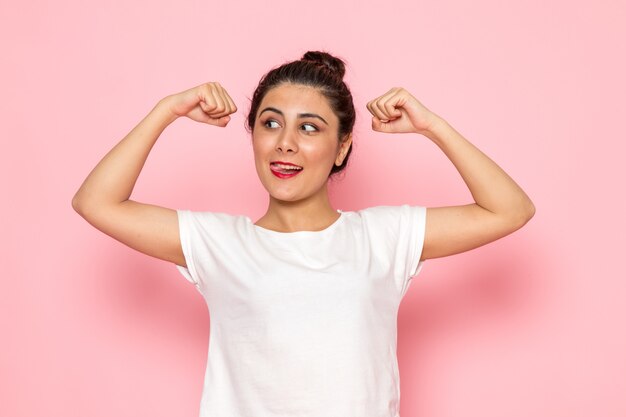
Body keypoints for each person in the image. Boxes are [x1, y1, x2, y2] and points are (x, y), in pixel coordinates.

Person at [72, 51, 535, 417]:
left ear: (342, 147)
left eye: (309, 128)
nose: (285, 143)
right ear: (252, 135)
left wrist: (433, 127)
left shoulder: (383, 237)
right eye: (270, 123)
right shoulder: (219, 243)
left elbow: (510, 209)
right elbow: (96, 202)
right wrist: (165, 111)